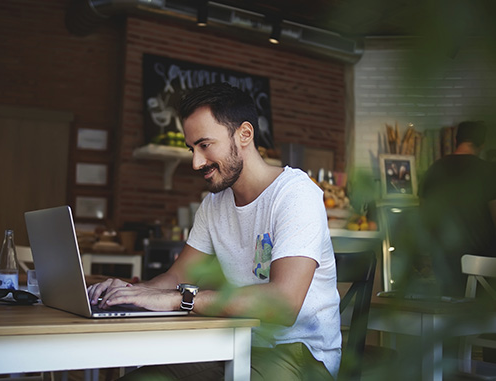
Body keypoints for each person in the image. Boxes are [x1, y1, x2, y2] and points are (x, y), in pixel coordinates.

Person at [88, 82, 341, 380]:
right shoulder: (213, 204)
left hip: (299, 357)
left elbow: (283, 305)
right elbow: (178, 277)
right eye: (192, 148)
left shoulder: (295, 195)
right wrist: (129, 292)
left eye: (205, 145)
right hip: (236, 345)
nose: (196, 162)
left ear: (244, 134)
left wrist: (177, 299)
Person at [418, 121, 496, 297]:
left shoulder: (434, 170)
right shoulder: (489, 172)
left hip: (445, 265)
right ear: (482, 144)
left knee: (449, 314)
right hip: (483, 265)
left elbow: (424, 221)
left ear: (456, 140)